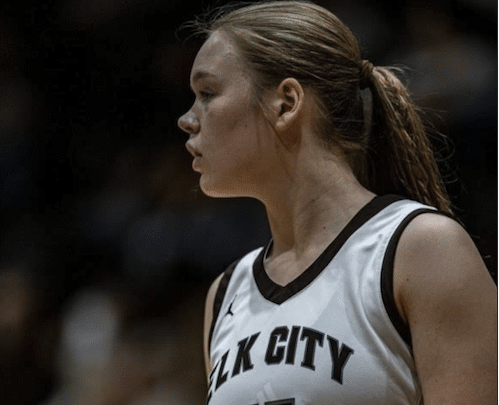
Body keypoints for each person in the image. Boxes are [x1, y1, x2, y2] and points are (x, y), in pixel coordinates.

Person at [176, 1, 497, 404]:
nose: (187, 119)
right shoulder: (226, 293)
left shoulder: (421, 249)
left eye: (207, 93)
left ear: (286, 103)